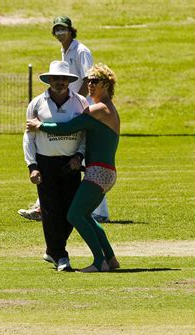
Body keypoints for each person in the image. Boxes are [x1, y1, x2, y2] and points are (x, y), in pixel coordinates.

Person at [26, 63, 121, 273]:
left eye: (95, 81)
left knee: (74, 215)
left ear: (106, 84)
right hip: (103, 171)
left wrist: (40, 125)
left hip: (98, 171)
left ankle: (99, 262)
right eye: (88, 81)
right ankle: (111, 259)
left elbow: (68, 128)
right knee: (85, 215)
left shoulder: (99, 108)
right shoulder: (105, 107)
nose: (90, 85)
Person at [18, 15, 110, 223]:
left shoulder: (80, 50)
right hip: (70, 106)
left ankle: (100, 212)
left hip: (81, 109)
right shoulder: (64, 51)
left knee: (86, 159)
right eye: (56, 30)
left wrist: (71, 99)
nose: (60, 33)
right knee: (57, 157)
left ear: (71, 30)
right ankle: (43, 206)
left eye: (63, 29)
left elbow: (88, 77)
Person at [23, 60, 88, 271]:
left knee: (71, 212)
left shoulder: (79, 102)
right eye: (56, 79)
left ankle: (52, 250)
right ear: (49, 80)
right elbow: (28, 137)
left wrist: (79, 156)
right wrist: (32, 165)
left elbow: (85, 134)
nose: (60, 82)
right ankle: (61, 256)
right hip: (45, 163)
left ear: (69, 80)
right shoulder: (36, 103)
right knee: (51, 211)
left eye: (64, 79)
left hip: (71, 164)